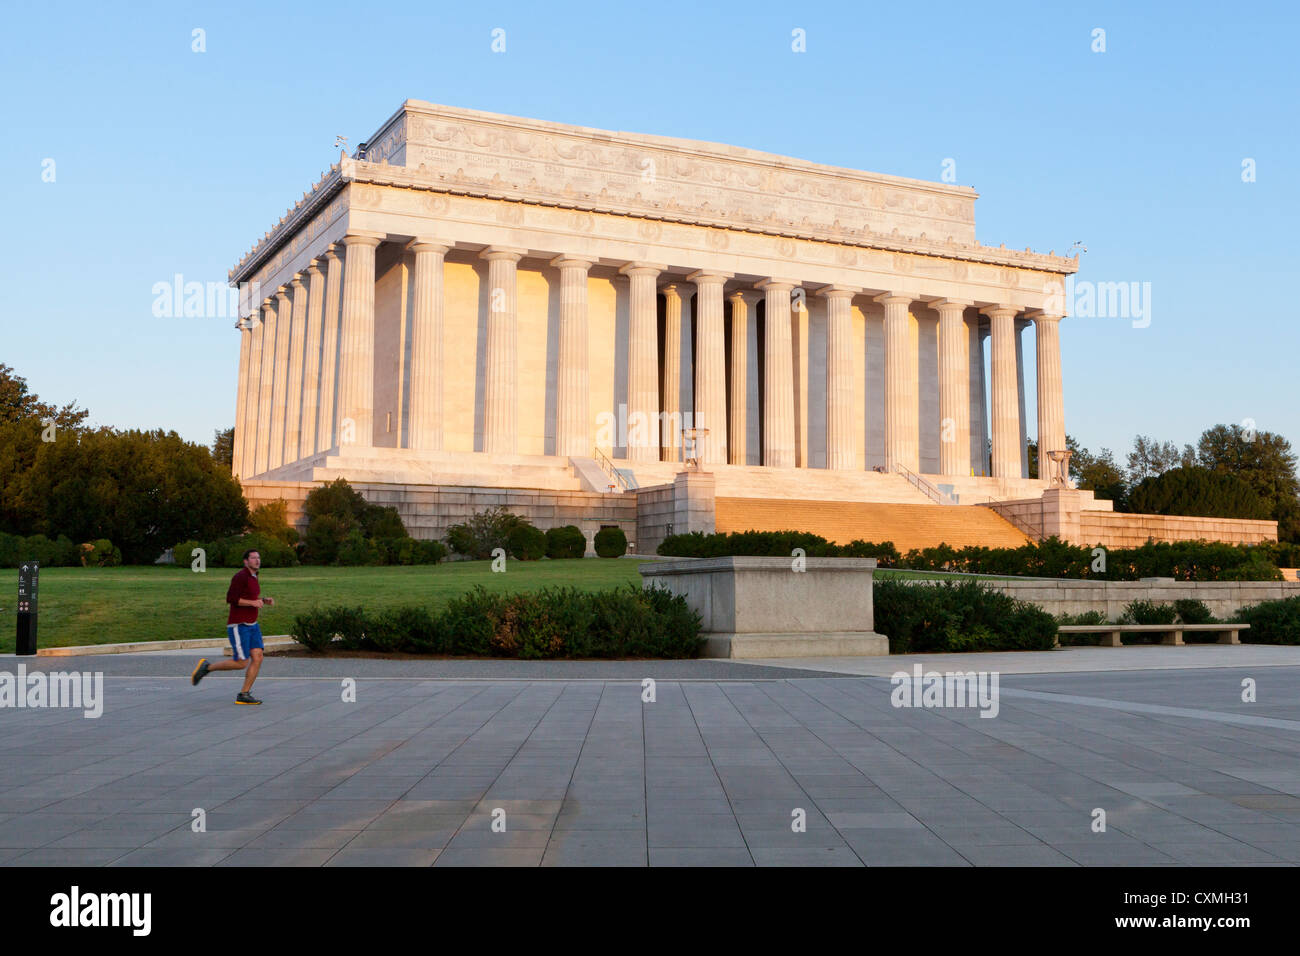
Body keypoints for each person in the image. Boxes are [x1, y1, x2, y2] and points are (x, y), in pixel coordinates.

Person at [190, 548, 275, 704]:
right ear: (246, 561)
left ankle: (244, 694)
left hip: (253, 624)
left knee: (258, 657)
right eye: (253, 558)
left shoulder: (254, 576)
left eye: (259, 557)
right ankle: (207, 667)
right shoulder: (240, 576)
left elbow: (249, 597)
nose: (257, 560)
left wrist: (263, 600)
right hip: (239, 625)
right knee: (241, 663)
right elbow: (231, 598)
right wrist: (253, 602)